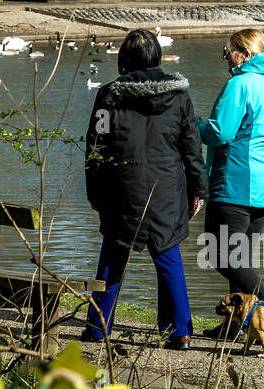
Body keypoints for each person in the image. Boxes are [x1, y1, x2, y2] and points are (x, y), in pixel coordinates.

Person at [83, 29, 207, 350]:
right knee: (168, 258)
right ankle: (179, 332)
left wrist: (94, 192)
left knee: (112, 258)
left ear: (124, 58)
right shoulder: (179, 96)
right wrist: (198, 189)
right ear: (157, 57)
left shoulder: (108, 96)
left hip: (120, 188)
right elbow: (191, 145)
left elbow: (95, 147)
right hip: (166, 189)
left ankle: (98, 328)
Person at [195, 29, 264, 339]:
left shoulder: (239, 84)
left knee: (220, 255)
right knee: (239, 259)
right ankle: (234, 327)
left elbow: (220, 133)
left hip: (236, 182)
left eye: (228, 51)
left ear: (243, 54)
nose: (226, 57)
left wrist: (191, 124)